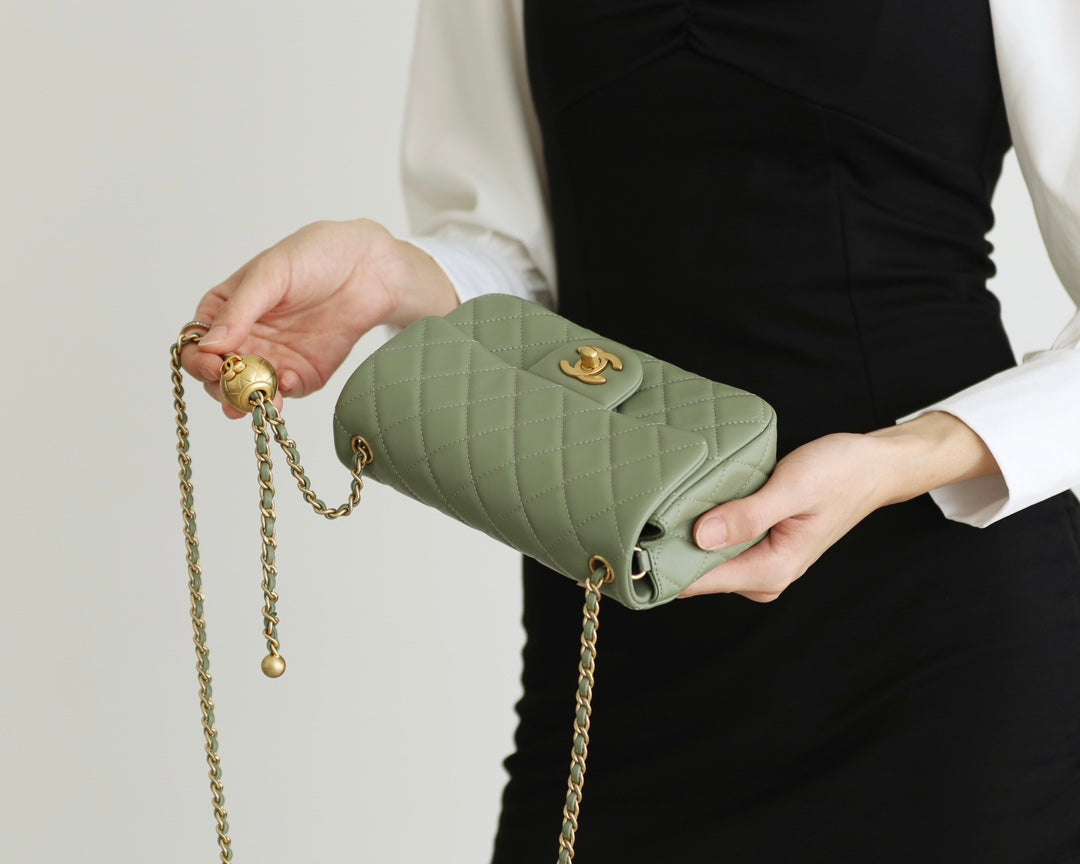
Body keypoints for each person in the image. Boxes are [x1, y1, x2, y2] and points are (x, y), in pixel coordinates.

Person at [181, 1, 1080, 860]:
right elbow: (518, 261)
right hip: (616, 625)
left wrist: (898, 460)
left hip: (939, 641)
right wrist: (392, 273)